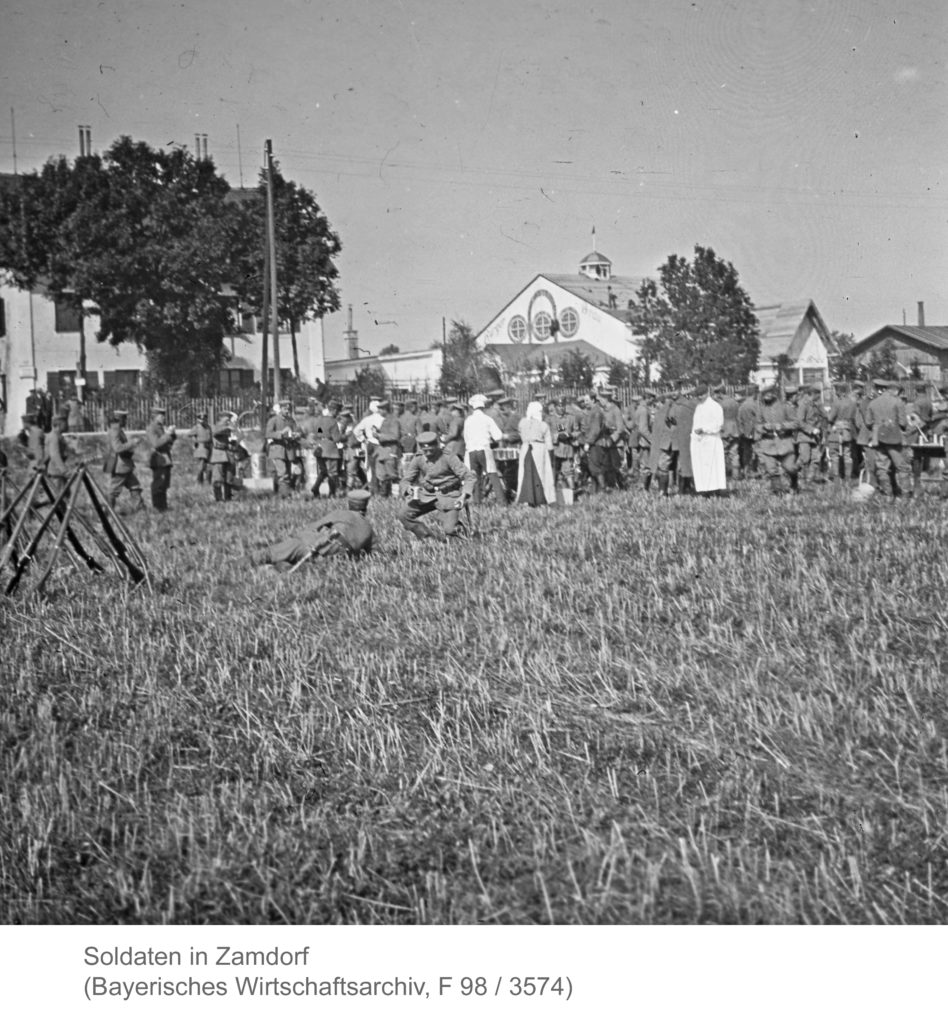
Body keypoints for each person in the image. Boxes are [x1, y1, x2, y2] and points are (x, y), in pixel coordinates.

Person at [250, 490, 375, 570]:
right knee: (296, 563)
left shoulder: (341, 514)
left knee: (268, 554)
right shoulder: (369, 529)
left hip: (315, 545)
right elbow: (368, 553)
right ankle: (282, 567)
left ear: (349, 504)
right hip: (332, 559)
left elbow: (313, 527)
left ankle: (238, 565)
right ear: (366, 507)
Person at [398, 430, 476, 541]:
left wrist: (463, 496)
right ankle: (428, 538)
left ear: (437, 446)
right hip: (427, 495)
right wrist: (408, 488)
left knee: (449, 530)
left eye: (431, 450)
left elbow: (469, 477)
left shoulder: (448, 457)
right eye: (425, 450)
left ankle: (459, 532)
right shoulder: (418, 458)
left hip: (449, 495)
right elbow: (406, 480)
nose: (428, 453)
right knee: (404, 515)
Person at [864, 378, 910, 499]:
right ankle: (905, 495)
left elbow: (868, 422)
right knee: (902, 466)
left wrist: (877, 428)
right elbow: (903, 423)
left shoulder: (872, 403)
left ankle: (887, 494)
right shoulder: (897, 402)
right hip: (894, 438)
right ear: (893, 390)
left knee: (882, 467)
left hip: (877, 439)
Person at [462, 393, 506, 505]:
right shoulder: (487, 419)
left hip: (471, 451)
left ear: (473, 407)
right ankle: (502, 501)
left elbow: (465, 437)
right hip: (484, 449)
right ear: (483, 407)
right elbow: (498, 435)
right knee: (492, 474)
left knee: (475, 477)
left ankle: (477, 501)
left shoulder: (468, 420)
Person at [755, 385, 798, 493]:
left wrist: (782, 426)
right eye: (764, 394)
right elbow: (757, 424)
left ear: (774, 394)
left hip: (784, 442)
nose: (766, 397)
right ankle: (777, 491)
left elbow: (796, 423)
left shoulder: (785, 406)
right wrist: (764, 427)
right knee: (771, 469)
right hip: (768, 443)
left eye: (769, 394)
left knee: (790, 467)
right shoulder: (761, 408)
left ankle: (794, 481)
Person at [104, 410, 145, 511]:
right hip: (120, 466)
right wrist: (132, 443)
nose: (126, 421)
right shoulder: (115, 430)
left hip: (125, 466)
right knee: (113, 491)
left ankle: (140, 509)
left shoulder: (117, 429)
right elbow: (117, 448)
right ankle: (107, 512)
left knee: (135, 486)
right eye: (124, 418)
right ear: (119, 419)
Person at [517, 400, 555, 506]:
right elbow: (550, 440)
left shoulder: (523, 422)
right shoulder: (545, 422)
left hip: (528, 448)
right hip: (542, 448)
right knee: (541, 474)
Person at [690, 384, 727, 495]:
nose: (699, 397)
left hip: (711, 440)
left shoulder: (715, 406)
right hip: (699, 441)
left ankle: (714, 490)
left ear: (707, 393)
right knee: (701, 467)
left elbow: (718, 425)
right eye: (698, 395)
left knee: (712, 466)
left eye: (701, 395)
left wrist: (704, 429)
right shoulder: (699, 407)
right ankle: (704, 490)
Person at [308, 399, 343, 498]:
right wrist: (345, 436)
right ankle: (332, 493)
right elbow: (336, 438)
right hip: (330, 450)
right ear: (335, 411)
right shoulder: (333, 422)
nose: (338, 413)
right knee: (333, 472)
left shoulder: (320, 420)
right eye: (338, 411)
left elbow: (318, 433)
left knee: (323, 471)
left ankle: (315, 488)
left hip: (320, 449)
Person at [265, 399, 301, 497]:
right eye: (285, 409)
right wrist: (281, 434)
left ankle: (280, 492)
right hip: (278, 449)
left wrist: (296, 435)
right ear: (280, 409)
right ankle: (284, 495)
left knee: (288, 474)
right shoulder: (273, 420)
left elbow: (296, 431)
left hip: (289, 450)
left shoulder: (291, 420)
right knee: (283, 473)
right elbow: (268, 434)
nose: (287, 411)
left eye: (288, 409)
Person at [145, 405, 177, 511]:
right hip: (158, 460)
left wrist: (172, 436)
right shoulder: (151, 428)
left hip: (165, 459)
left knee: (164, 485)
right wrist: (167, 434)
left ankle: (163, 506)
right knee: (158, 484)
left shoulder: (160, 428)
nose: (164, 417)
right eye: (161, 416)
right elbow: (156, 444)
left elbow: (166, 444)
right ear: (155, 416)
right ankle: (158, 507)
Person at [825, 383, 859, 481]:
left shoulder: (837, 402)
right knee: (847, 455)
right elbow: (855, 418)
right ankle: (848, 477)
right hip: (848, 430)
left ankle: (836, 477)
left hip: (837, 430)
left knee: (834, 454)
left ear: (839, 392)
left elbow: (830, 418)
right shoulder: (853, 402)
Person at [209, 411, 240, 502]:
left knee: (229, 478)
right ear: (220, 419)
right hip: (219, 454)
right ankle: (218, 498)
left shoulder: (229, 428)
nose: (228, 421)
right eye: (226, 419)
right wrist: (228, 427)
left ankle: (228, 498)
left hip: (228, 454)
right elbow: (216, 433)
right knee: (218, 478)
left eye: (228, 420)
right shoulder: (216, 426)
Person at [44, 413, 75, 495]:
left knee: (65, 496)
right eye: (65, 423)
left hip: (58, 471)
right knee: (59, 498)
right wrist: (65, 471)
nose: (67, 425)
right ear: (58, 424)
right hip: (56, 471)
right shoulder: (54, 437)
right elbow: (55, 455)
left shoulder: (58, 436)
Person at [189, 410, 213, 484]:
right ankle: (199, 482)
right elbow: (189, 434)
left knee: (209, 466)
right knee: (201, 466)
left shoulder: (208, 427)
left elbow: (211, 436)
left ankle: (208, 481)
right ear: (198, 419)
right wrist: (195, 441)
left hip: (209, 447)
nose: (202, 420)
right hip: (201, 447)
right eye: (200, 418)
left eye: (204, 418)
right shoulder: (196, 427)